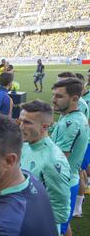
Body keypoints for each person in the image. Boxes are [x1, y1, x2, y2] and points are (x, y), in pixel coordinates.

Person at [19, 100, 71, 230]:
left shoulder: (53, 161)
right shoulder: (26, 146)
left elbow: (60, 213)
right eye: (20, 121)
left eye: (27, 122)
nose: (21, 127)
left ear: (45, 126)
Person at [50, 78, 89, 236]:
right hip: (68, 181)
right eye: (54, 95)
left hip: (61, 185)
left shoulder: (71, 124)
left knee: (55, 229)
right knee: (63, 226)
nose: (53, 100)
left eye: (59, 96)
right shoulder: (71, 117)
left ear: (74, 98)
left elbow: (58, 161)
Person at [72, 73, 90, 217]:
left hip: (83, 140)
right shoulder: (83, 99)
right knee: (81, 170)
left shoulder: (83, 102)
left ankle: (78, 208)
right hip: (82, 139)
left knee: (78, 172)